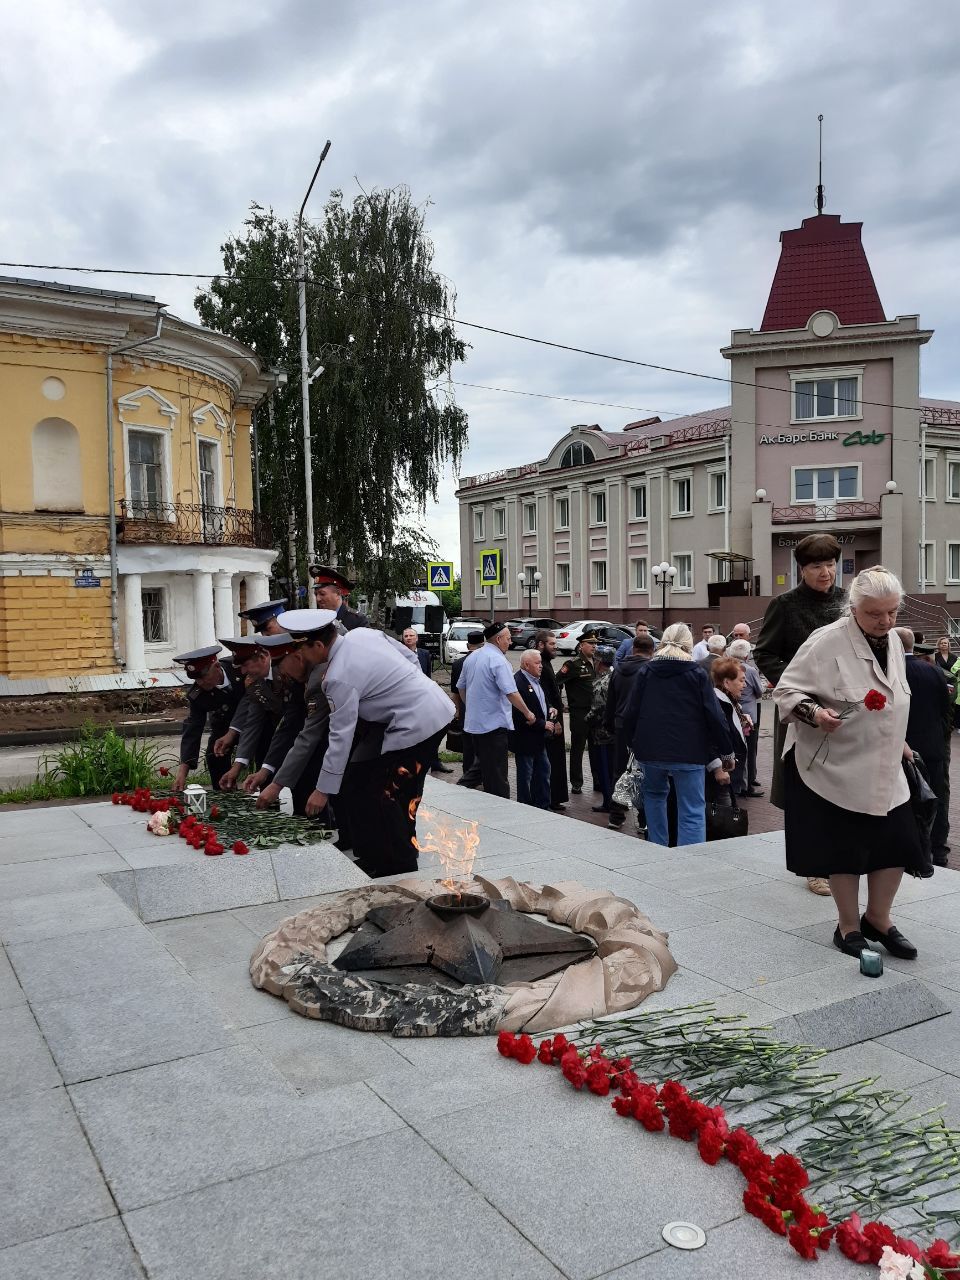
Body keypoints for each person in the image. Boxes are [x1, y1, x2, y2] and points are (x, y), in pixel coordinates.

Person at [774, 566, 920, 961]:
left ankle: (879, 919)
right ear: (853, 608)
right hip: (836, 768)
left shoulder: (890, 641)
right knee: (846, 850)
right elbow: (786, 691)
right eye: (875, 614)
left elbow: (892, 696)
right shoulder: (826, 641)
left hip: (885, 766)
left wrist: (899, 739)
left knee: (898, 846)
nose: (886, 621)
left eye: (892, 612)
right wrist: (815, 713)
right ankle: (848, 926)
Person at [272, 609, 455, 878]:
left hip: (418, 724)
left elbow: (341, 736)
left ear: (319, 645)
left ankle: (399, 864)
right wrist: (407, 686)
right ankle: (372, 855)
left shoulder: (337, 676)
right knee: (360, 784)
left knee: (389, 794)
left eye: (301, 652)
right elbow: (408, 657)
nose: (301, 659)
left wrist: (322, 791)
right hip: (424, 711)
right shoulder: (362, 635)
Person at [754, 532, 846, 896]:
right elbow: (764, 654)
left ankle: (841, 859)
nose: (825, 572)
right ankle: (814, 867)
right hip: (803, 709)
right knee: (807, 789)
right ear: (802, 570)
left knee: (842, 787)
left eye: (831, 564)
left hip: (843, 707)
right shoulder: (785, 604)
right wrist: (795, 685)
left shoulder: (847, 601)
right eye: (816, 566)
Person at [622, 623, 734, 847]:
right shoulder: (696, 673)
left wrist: (630, 743)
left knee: (654, 798)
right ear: (688, 645)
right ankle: (689, 860)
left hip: (650, 749)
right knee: (692, 808)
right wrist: (726, 752)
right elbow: (714, 715)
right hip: (689, 751)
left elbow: (631, 710)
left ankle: (658, 849)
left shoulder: (647, 670)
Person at [457, 621, 536, 797]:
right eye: (508, 639)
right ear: (499, 639)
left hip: (476, 725)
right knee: (497, 776)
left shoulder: (472, 657)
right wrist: (527, 712)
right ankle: (500, 811)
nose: (511, 642)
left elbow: (461, 687)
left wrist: (471, 707)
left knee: (482, 767)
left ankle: (456, 792)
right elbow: (511, 692)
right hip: (493, 726)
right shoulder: (498, 661)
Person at [897, 628, 951, 866]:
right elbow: (945, 710)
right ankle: (939, 850)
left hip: (903, 748)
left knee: (906, 799)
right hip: (934, 747)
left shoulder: (891, 672)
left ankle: (914, 849)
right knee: (938, 796)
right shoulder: (935, 671)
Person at [172, 646, 245, 792]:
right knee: (214, 754)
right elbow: (193, 728)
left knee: (264, 748)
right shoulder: (198, 695)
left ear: (216, 666)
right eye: (196, 679)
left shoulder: (239, 668)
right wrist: (182, 772)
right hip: (223, 730)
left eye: (203, 676)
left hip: (255, 723)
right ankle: (225, 798)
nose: (200, 683)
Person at [605, 632, 655, 830]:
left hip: (620, 725)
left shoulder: (617, 670)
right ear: (652, 651)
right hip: (641, 727)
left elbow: (611, 700)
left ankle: (615, 815)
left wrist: (609, 724)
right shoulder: (649, 670)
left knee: (620, 770)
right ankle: (644, 819)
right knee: (642, 772)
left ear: (633, 649)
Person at [400, 627, 453, 775]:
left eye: (411, 635)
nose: (409, 638)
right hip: (406, 698)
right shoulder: (398, 654)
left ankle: (434, 761)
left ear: (417, 638)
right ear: (403, 639)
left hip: (423, 697)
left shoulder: (424, 654)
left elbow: (428, 676)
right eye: (406, 636)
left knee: (431, 729)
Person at [556, 629, 598, 794]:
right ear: (581, 645)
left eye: (595, 644)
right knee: (578, 749)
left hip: (596, 713)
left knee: (596, 749)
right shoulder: (572, 664)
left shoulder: (598, 662)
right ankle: (576, 783)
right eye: (591, 643)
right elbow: (556, 682)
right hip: (580, 713)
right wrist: (560, 703)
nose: (594, 647)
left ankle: (598, 781)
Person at [510, 650, 552, 809]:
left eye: (541, 662)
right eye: (537, 663)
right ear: (526, 665)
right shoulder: (518, 682)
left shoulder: (537, 680)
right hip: (525, 738)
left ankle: (543, 805)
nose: (541, 666)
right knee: (526, 775)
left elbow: (541, 701)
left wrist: (550, 709)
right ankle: (525, 806)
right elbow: (520, 714)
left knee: (543, 772)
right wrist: (543, 724)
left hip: (539, 738)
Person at [534, 629, 569, 810]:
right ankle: (550, 797)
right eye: (552, 644)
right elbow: (546, 698)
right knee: (551, 760)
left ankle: (554, 797)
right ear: (541, 645)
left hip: (554, 718)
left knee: (556, 759)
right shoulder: (541, 665)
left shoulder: (546, 664)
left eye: (555, 644)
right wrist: (554, 722)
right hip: (550, 721)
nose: (555, 647)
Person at [707, 657, 749, 805]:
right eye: (741, 680)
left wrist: (742, 720)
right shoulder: (718, 703)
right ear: (726, 682)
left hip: (726, 772)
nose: (745, 685)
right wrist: (718, 767)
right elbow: (708, 737)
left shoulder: (728, 702)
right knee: (721, 818)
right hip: (718, 775)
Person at [727, 639, 765, 797]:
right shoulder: (749, 670)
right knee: (748, 750)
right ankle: (747, 785)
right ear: (747, 654)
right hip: (747, 714)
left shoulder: (725, 667)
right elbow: (760, 690)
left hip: (730, 712)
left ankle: (734, 783)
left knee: (733, 749)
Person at [452, 631, 484, 787]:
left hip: (466, 710)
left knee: (468, 746)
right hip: (484, 711)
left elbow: (455, 692)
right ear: (483, 645)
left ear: (467, 645)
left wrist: (458, 711)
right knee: (484, 745)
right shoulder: (486, 661)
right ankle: (481, 775)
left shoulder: (458, 664)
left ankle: (468, 773)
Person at [587, 646, 617, 813]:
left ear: (599, 662)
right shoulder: (615, 677)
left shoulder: (601, 682)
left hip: (602, 733)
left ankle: (608, 802)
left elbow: (597, 709)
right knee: (614, 768)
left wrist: (587, 720)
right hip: (615, 732)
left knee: (605, 770)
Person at [309, 564, 369, 630]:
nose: (318, 599)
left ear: (338, 593)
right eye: (316, 594)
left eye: (322, 594)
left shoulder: (358, 621)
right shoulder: (316, 619)